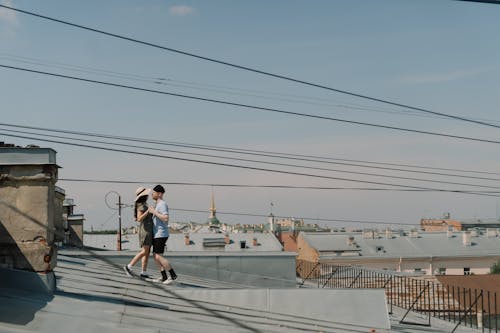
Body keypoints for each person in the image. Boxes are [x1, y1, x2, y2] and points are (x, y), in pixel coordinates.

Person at [149, 184, 178, 284]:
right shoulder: (158, 204)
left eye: (154, 192)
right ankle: (164, 277)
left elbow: (165, 218)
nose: (152, 194)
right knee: (156, 256)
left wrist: (154, 212)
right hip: (157, 234)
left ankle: (173, 275)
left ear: (160, 194)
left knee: (158, 256)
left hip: (161, 234)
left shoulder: (162, 204)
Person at [123, 187, 153, 278]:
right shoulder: (141, 205)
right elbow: (139, 219)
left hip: (148, 229)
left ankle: (143, 272)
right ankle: (129, 266)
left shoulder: (143, 204)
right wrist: (148, 211)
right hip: (145, 230)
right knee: (144, 251)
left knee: (147, 252)